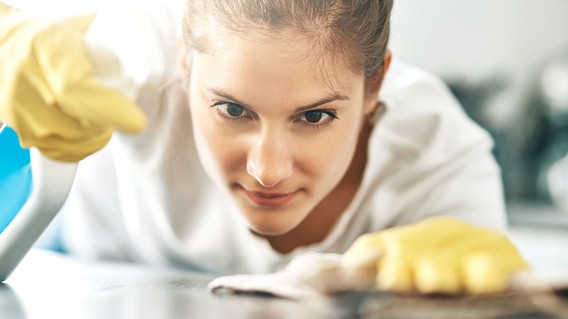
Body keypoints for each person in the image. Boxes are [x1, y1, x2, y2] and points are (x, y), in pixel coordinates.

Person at [0, 0, 527, 294]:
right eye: (232, 110)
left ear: (375, 86)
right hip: (72, 254)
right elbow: (97, 42)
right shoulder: (147, 43)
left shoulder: (439, 159)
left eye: (315, 116)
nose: (267, 170)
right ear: (183, 60)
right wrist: (11, 34)